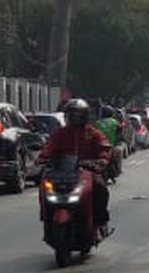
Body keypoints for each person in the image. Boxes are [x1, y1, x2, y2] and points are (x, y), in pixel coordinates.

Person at [41, 98, 112, 234]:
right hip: (63, 173)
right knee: (44, 187)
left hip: (86, 172)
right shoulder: (60, 133)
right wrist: (43, 157)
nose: (75, 118)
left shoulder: (92, 132)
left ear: (85, 116)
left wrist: (102, 159)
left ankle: (100, 221)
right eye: (72, 114)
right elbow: (49, 147)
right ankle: (46, 218)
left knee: (101, 188)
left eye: (79, 115)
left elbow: (104, 146)